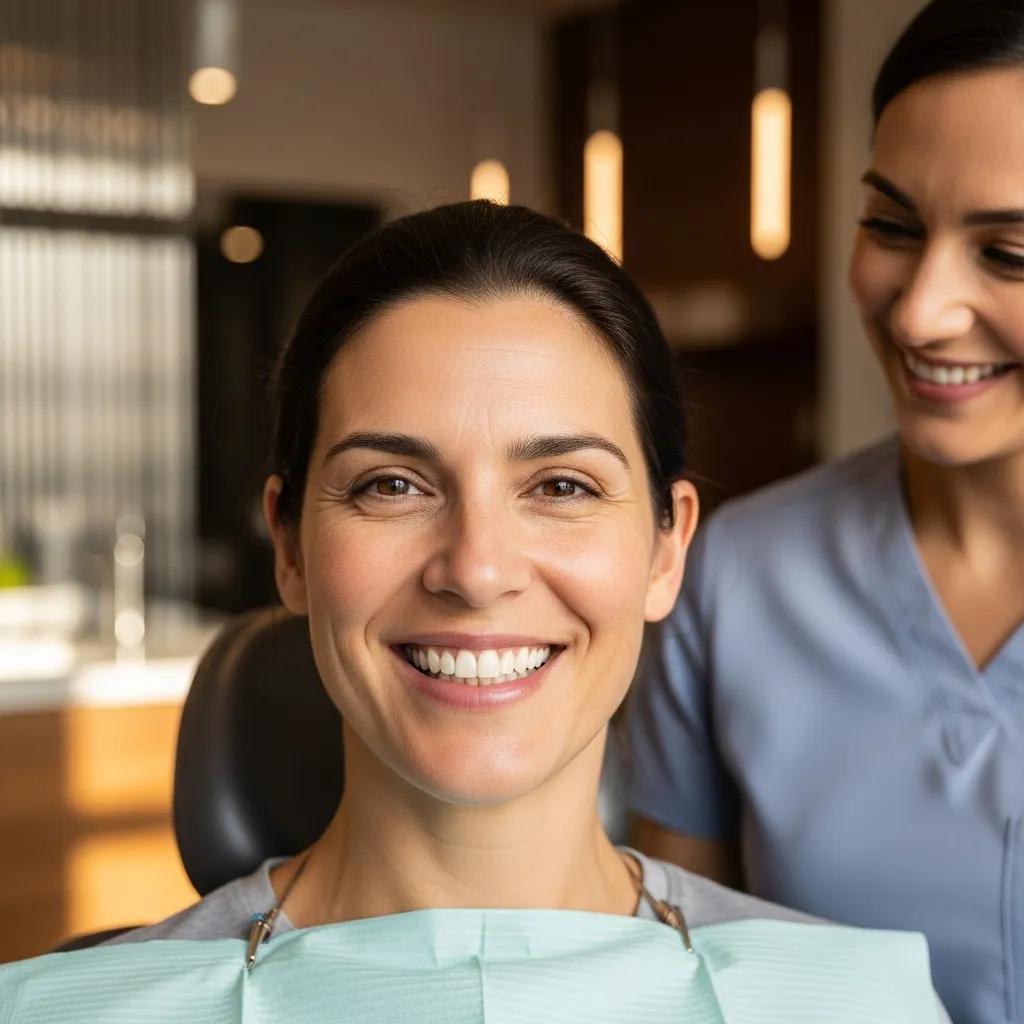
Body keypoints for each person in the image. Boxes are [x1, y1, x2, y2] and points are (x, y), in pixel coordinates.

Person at [0, 202, 945, 1021]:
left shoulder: (861, 1004)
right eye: (392, 484)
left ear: (668, 549)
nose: (479, 569)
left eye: (564, 486)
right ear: (289, 547)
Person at [626, 3, 1024, 1023]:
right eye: (891, 227)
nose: (920, 310)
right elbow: (682, 980)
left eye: (1010, 254)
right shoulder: (735, 579)